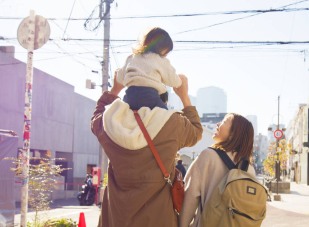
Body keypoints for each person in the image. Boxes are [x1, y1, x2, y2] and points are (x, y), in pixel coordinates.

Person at [91, 71, 203, 227]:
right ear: (162, 101)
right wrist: (184, 96)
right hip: (159, 219)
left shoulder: (111, 125)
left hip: (117, 220)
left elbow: (97, 117)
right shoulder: (172, 124)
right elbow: (196, 131)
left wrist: (115, 89)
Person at [179, 114, 256, 227]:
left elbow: (189, 200)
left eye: (224, 121)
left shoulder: (208, 156)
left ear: (233, 133)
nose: (218, 124)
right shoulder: (248, 167)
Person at [116, 27, 181, 111]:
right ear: (162, 47)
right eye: (166, 52)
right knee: (166, 117)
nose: (166, 55)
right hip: (150, 96)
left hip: (130, 96)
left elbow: (120, 78)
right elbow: (173, 80)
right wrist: (180, 81)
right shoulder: (161, 60)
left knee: (124, 115)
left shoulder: (132, 57)